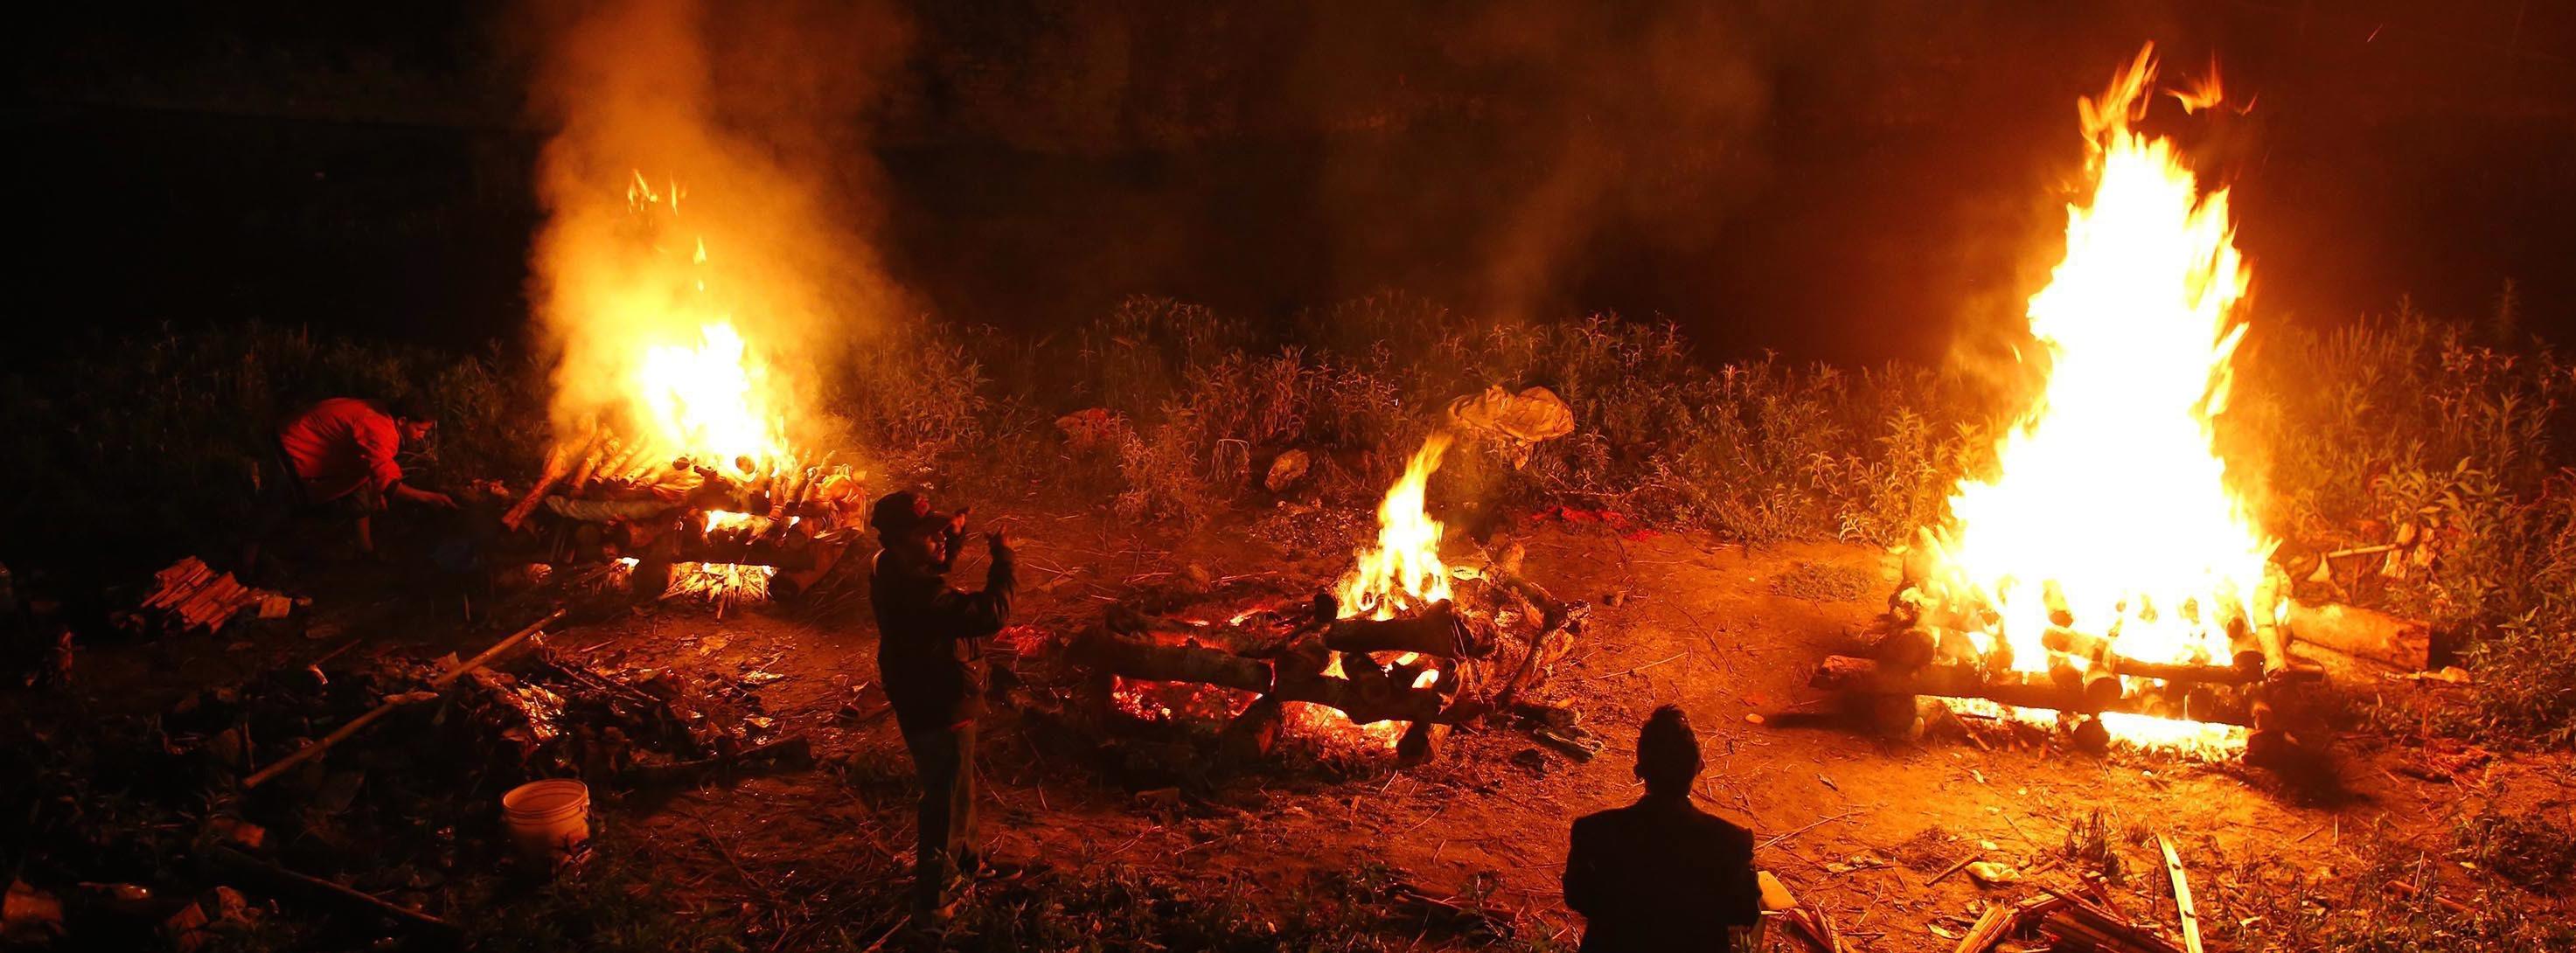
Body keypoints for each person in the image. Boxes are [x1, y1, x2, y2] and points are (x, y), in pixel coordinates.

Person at [867, 490, 1013, 921]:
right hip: (937, 696)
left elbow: (935, 563)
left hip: (923, 687)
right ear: (900, 540)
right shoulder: (919, 593)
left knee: (958, 785)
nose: (940, 542)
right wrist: (1003, 560)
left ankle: (967, 865)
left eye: (938, 531)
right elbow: (992, 614)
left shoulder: (889, 566)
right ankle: (936, 901)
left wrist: (951, 537)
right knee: (945, 796)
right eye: (928, 535)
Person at [1564, 705, 1762, 952]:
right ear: (1699, 766)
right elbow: (1745, 912)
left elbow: (1578, 897)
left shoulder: (1594, 831)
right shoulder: (1731, 842)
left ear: (1639, 770)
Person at [242, 396, 456, 574]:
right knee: (275, 505)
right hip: (294, 444)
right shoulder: (381, 429)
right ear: (402, 421)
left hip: (304, 435)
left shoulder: (381, 414)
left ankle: (365, 551)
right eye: (420, 430)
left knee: (359, 487)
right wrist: (430, 498)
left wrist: (377, 490)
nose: (422, 436)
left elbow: (371, 465)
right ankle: (247, 566)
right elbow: (389, 484)